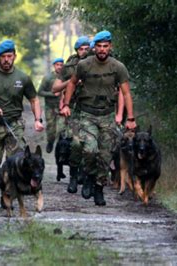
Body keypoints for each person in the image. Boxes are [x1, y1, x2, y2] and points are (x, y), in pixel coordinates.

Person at [60, 30, 136, 206]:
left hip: (107, 115)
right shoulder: (84, 65)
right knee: (89, 150)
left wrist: (130, 117)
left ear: (110, 47)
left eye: (105, 46)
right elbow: (71, 83)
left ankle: (99, 188)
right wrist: (66, 105)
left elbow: (126, 92)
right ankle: (88, 175)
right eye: (99, 46)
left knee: (105, 155)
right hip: (87, 114)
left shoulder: (118, 67)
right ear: (95, 48)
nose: (102, 49)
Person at [0, 39, 44, 188]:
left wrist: (38, 119)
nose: (6, 60)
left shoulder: (23, 77)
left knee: (16, 162)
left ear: (14, 56)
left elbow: (34, 100)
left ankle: (10, 193)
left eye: (9, 56)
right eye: (3, 57)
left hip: (14, 124)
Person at [52, 36, 90, 194]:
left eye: (87, 48)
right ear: (76, 50)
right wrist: (72, 82)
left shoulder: (98, 62)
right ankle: (74, 176)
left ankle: (88, 176)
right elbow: (56, 88)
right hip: (74, 109)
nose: (84, 51)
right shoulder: (69, 66)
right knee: (75, 144)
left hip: (94, 108)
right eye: (81, 49)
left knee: (93, 147)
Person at [38, 57, 64, 153]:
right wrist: (52, 94)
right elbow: (40, 92)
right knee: (51, 129)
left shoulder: (66, 77)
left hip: (62, 107)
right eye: (57, 65)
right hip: (50, 107)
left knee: (62, 128)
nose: (59, 67)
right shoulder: (48, 78)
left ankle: (61, 147)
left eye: (61, 65)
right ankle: (50, 142)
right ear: (54, 66)